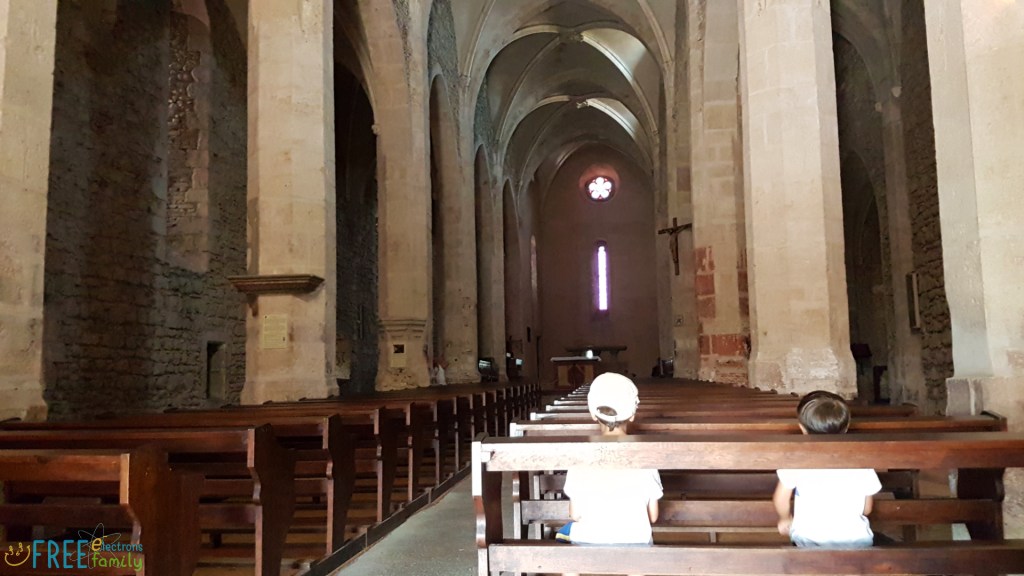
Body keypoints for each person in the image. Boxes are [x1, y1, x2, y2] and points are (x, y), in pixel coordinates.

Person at [557, 373, 662, 576]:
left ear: (593, 413)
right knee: (640, 541)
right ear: (632, 414)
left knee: (566, 539)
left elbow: (575, 515)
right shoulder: (646, 455)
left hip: (588, 541)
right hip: (636, 541)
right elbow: (653, 516)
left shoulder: (580, 457)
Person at [773, 392, 881, 548]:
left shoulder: (797, 460)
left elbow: (781, 499)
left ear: (802, 428)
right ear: (846, 427)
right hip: (857, 542)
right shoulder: (861, 462)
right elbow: (867, 508)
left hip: (807, 540)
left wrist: (785, 518)